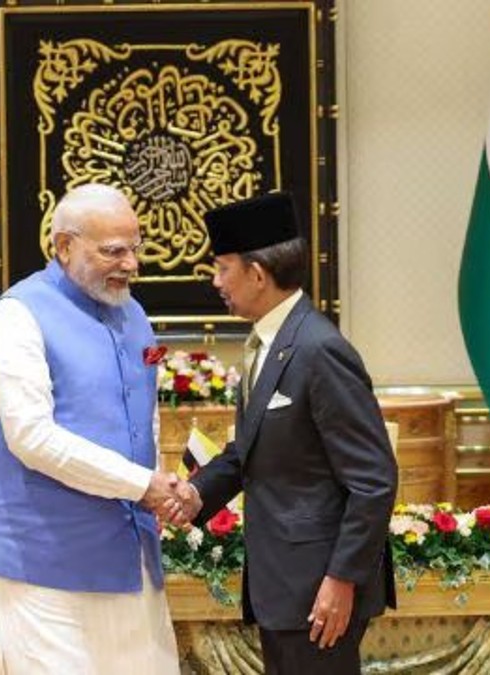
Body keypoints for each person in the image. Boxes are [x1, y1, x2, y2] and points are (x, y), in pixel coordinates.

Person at [0, 184, 192, 674]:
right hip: (41, 565)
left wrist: (166, 486)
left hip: (130, 557)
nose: (130, 264)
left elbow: (143, 412)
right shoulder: (17, 314)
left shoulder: (134, 315)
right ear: (64, 246)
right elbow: (31, 438)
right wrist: (142, 485)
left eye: (135, 248)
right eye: (113, 251)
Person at [170, 192, 398, 674]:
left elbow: (374, 479)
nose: (215, 282)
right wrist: (195, 494)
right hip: (285, 586)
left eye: (222, 268)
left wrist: (342, 579)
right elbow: (247, 451)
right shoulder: (267, 345)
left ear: (256, 274)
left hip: (319, 590)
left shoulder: (319, 349)